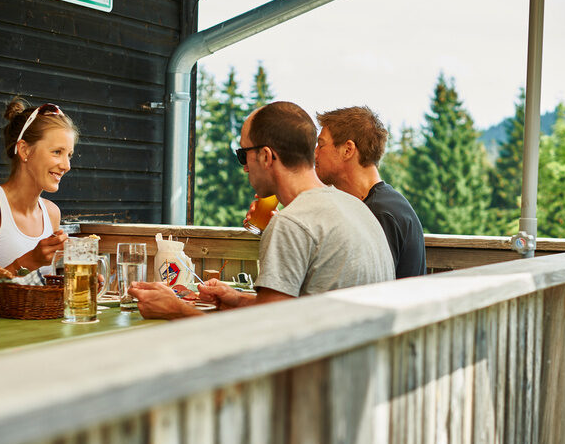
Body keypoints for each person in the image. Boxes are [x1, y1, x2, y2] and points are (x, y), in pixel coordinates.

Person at [130, 101, 395, 319]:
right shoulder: (355, 208)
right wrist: (237, 299)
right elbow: (288, 311)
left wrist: (176, 310)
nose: (244, 167)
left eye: (243, 154)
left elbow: (264, 335)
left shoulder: (292, 223)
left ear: (267, 157)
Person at [0, 99, 77, 315]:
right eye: (57, 152)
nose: (66, 165)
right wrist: (28, 262)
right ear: (24, 150)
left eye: (69, 155)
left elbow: (39, 292)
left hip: (34, 334)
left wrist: (77, 286)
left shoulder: (51, 213)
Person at [314, 106, 426, 279]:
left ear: (348, 150)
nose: (315, 153)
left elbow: (365, 287)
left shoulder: (379, 214)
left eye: (321, 145)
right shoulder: (383, 204)